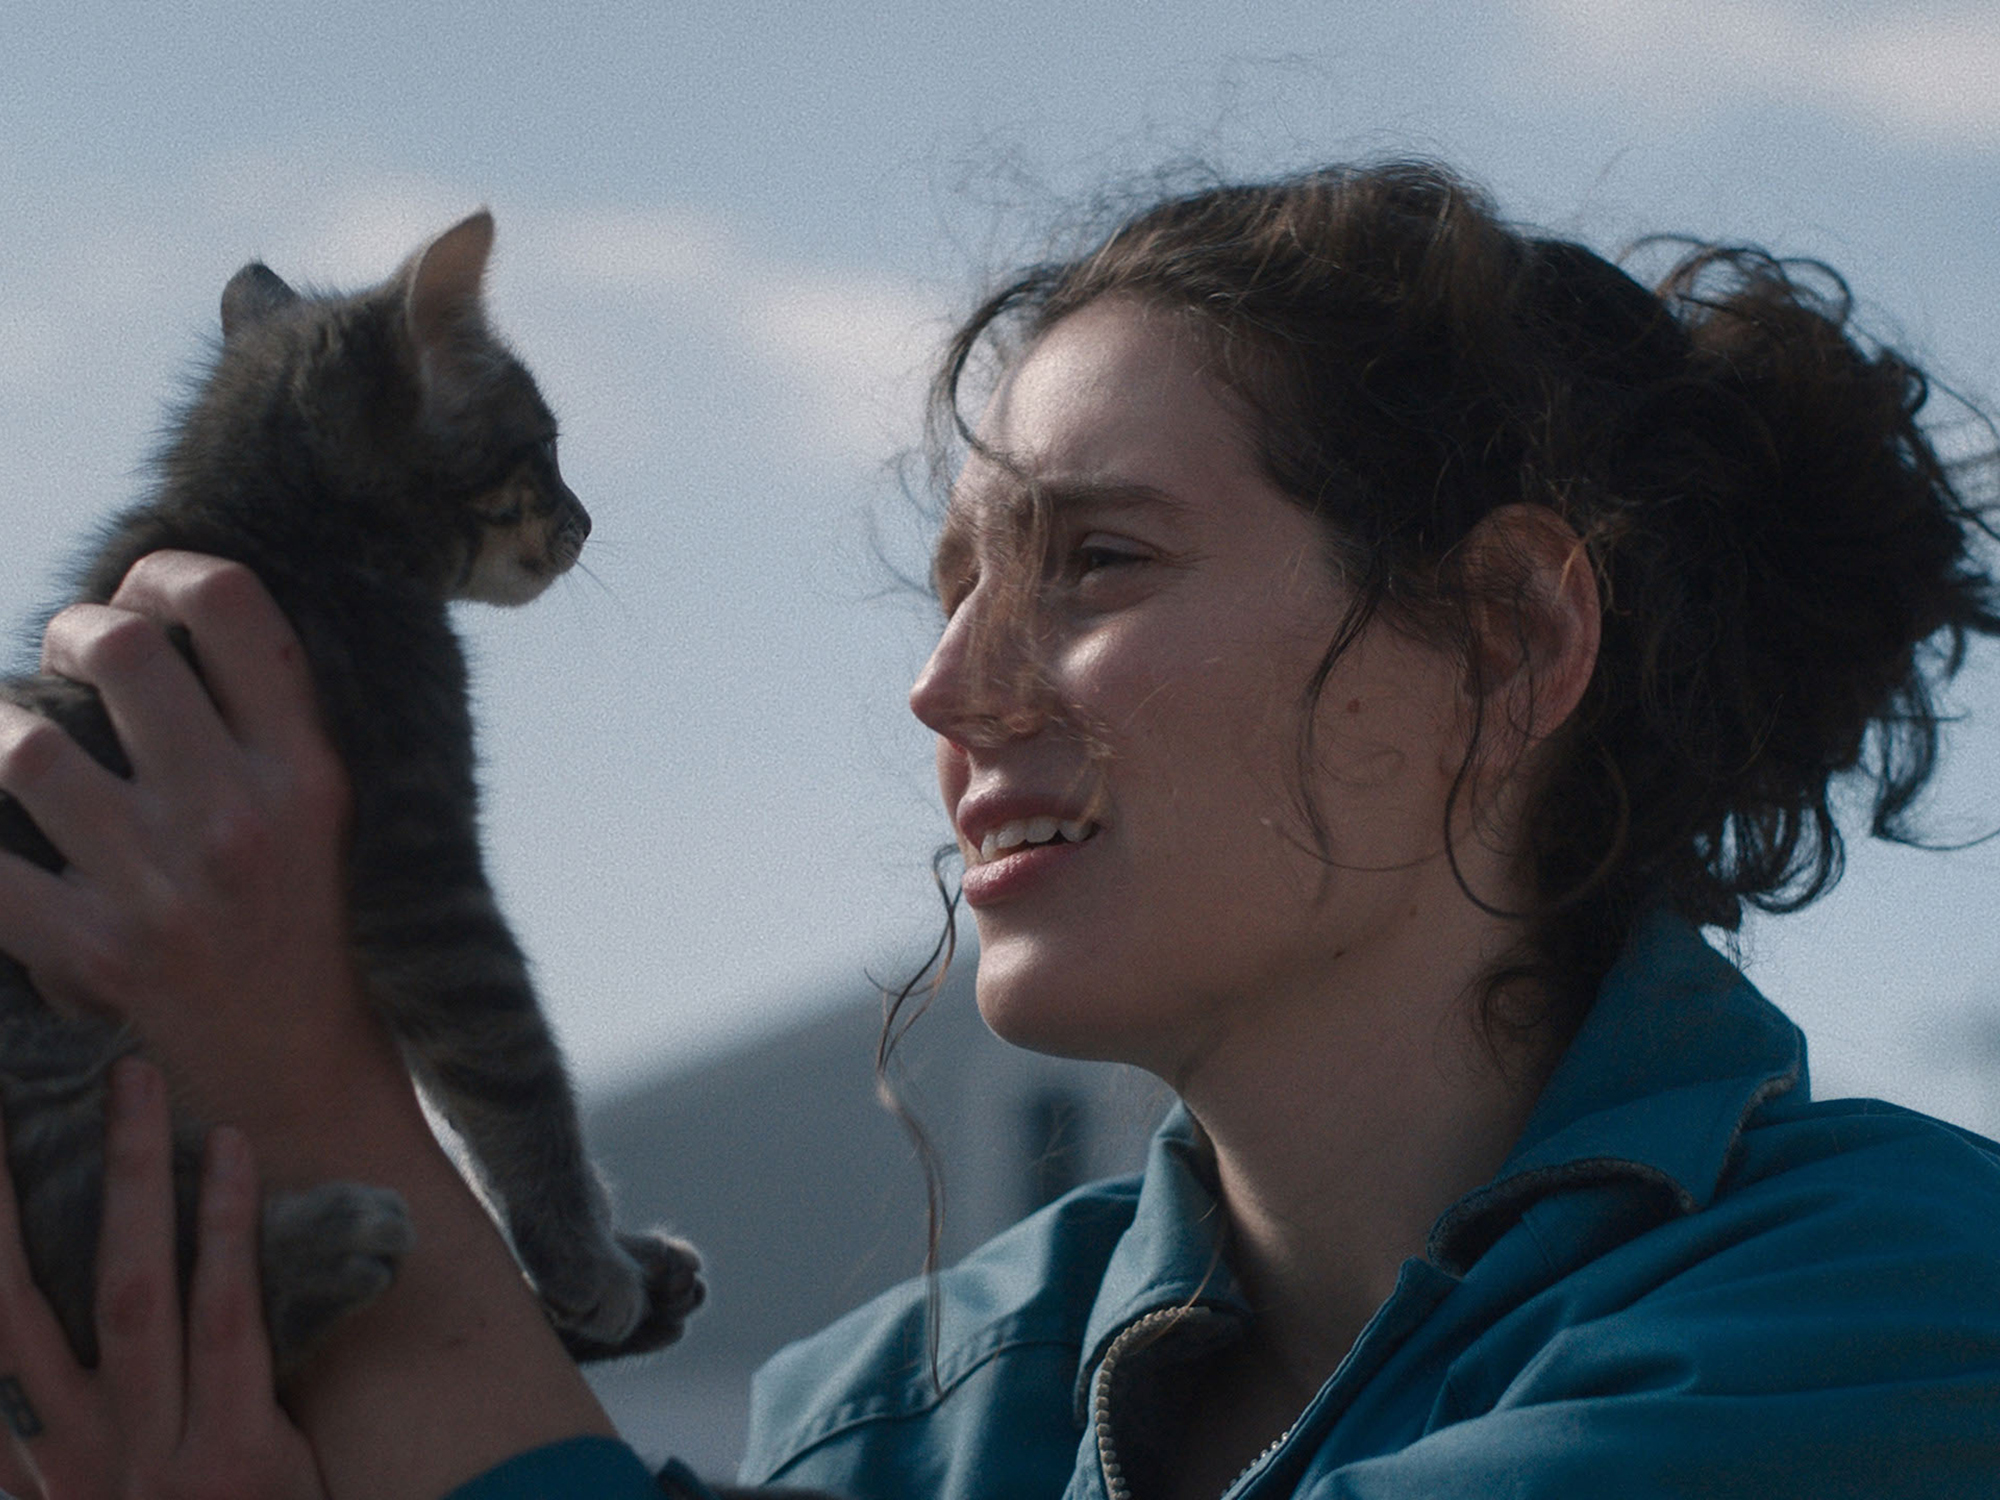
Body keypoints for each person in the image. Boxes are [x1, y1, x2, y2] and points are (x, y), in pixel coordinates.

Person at [0, 158, 1996, 1500]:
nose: (948, 690)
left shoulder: (1902, 1315)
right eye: (948, 589)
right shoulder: (896, 1420)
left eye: (1098, 561)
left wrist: (317, 1094)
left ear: (1508, 638)